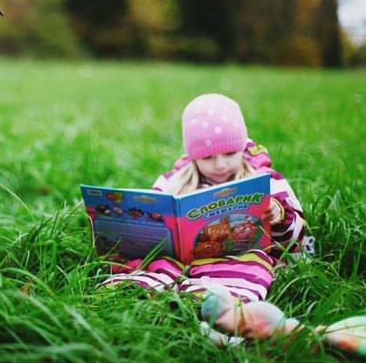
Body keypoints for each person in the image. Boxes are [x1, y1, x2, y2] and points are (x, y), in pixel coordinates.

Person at [102, 93, 306, 303]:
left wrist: (279, 214)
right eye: (208, 157)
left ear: (241, 148)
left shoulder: (264, 180)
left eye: (230, 154)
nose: (220, 165)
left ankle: (214, 302)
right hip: (182, 257)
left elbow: (295, 237)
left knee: (250, 264)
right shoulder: (173, 182)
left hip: (240, 257)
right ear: (193, 157)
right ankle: (135, 292)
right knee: (160, 262)